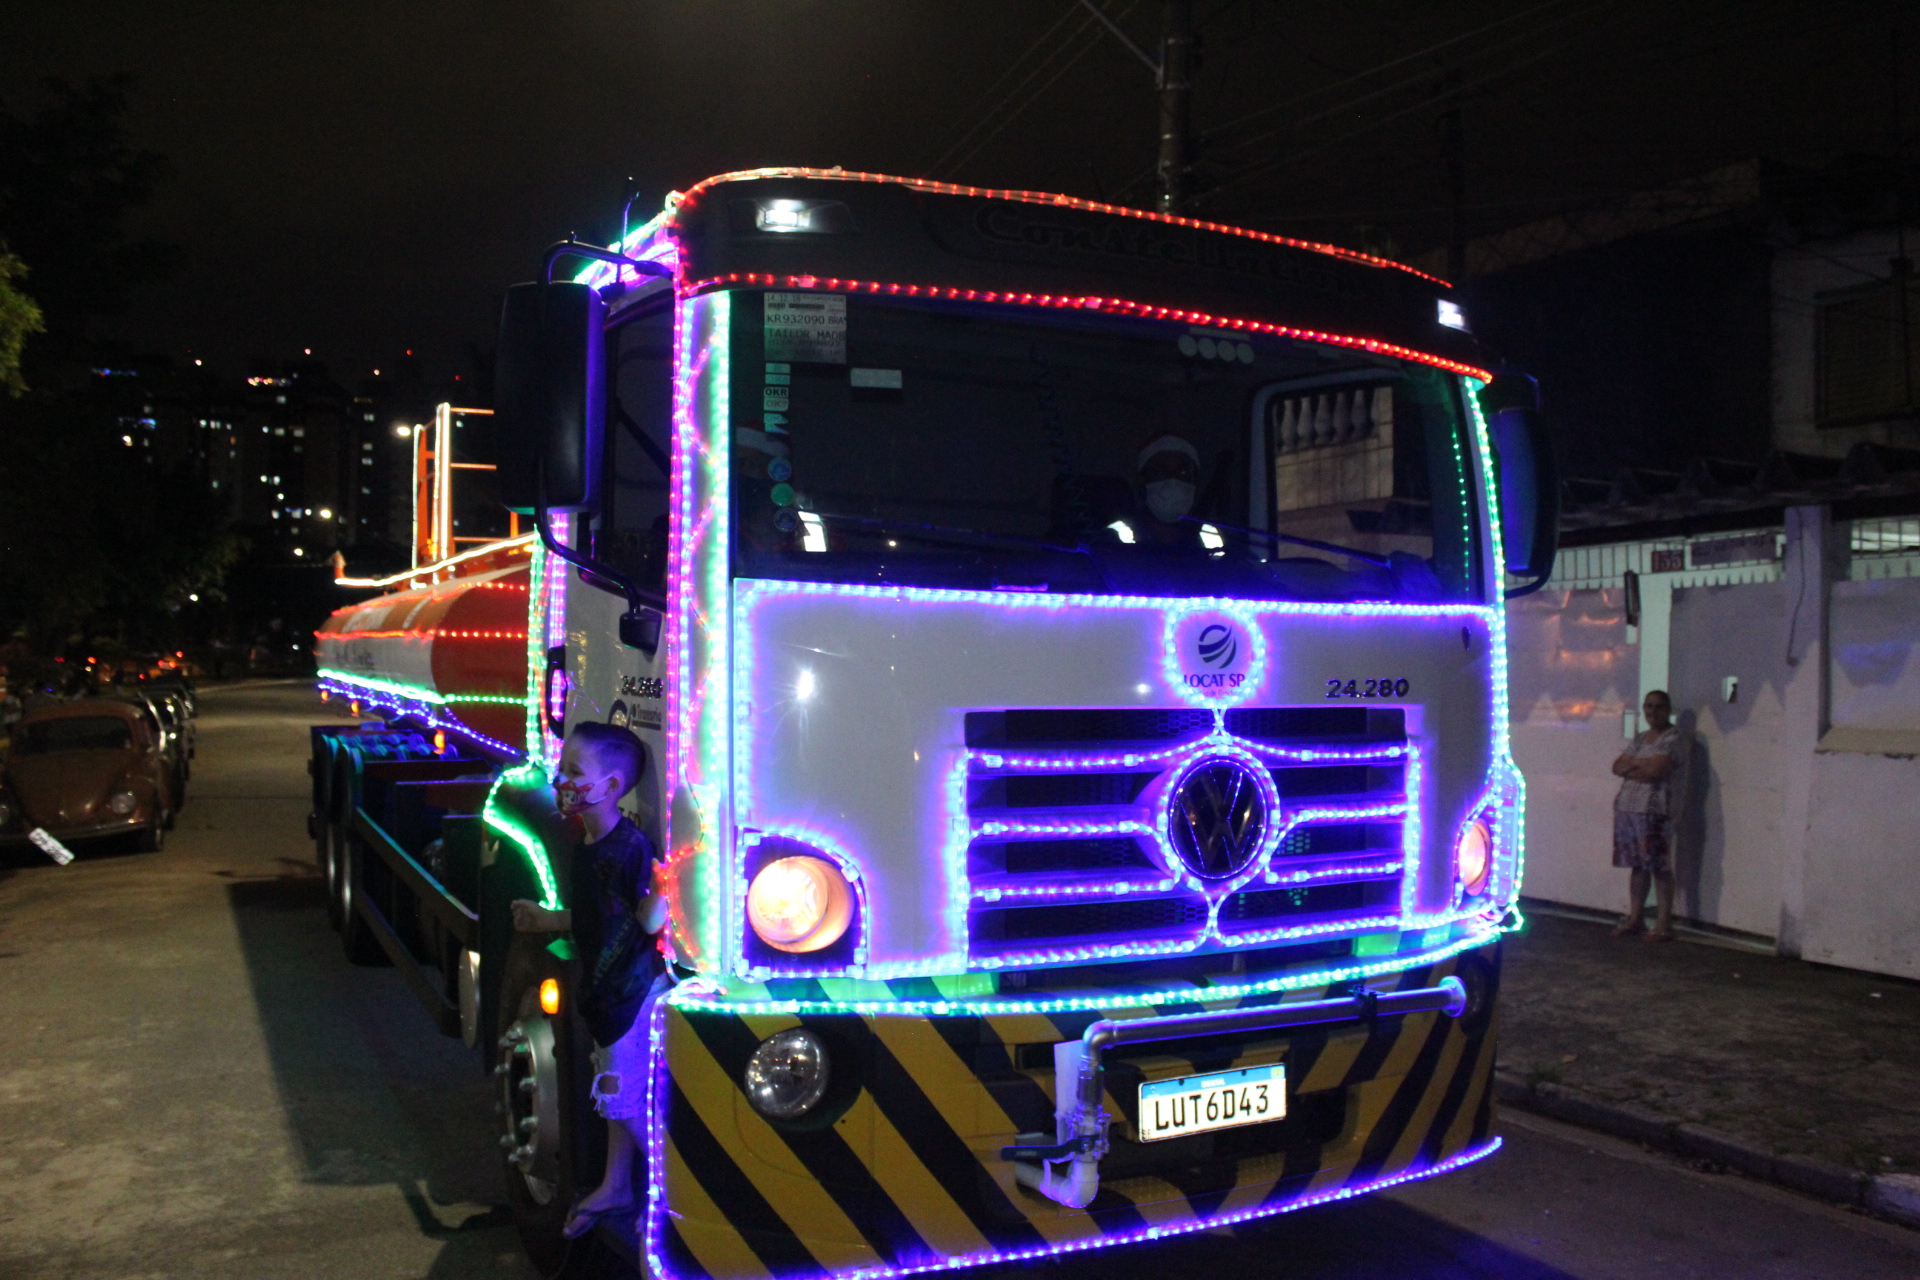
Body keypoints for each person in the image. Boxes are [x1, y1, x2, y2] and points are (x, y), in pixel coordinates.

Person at [509, 721, 670, 1239]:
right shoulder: (589, 845)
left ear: (613, 788)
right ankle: (616, 1184)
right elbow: (595, 916)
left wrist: (669, 885)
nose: (561, 780)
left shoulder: (628, 849)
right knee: (613, 1095)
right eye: (562, 769)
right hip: (605, 995)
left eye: (574, 772)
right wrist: (546, 918)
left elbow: (647, 920)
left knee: (623, 1097)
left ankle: (675, 1192)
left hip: (632, 992)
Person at [1611, 689, 1681, 942]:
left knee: (1659, 866)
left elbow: (1657, 771)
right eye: (1648, 706)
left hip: (1654, 811)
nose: (1652, 712)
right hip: (1629, 808)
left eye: (1658, 706)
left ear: (1668, 709)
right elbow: (1616, 766)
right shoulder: (1641, 739)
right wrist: (1640, 765)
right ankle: (1636, 918)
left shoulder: (1674, 738)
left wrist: (1633, 766)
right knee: (1638, 866)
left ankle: (1664, 923)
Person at [1131, 434, 1205, 548]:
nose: (1172, 482)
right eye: (1160, 472)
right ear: (1141, 481)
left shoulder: (1213, 541)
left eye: (1183, 472)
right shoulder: (1113, 540)